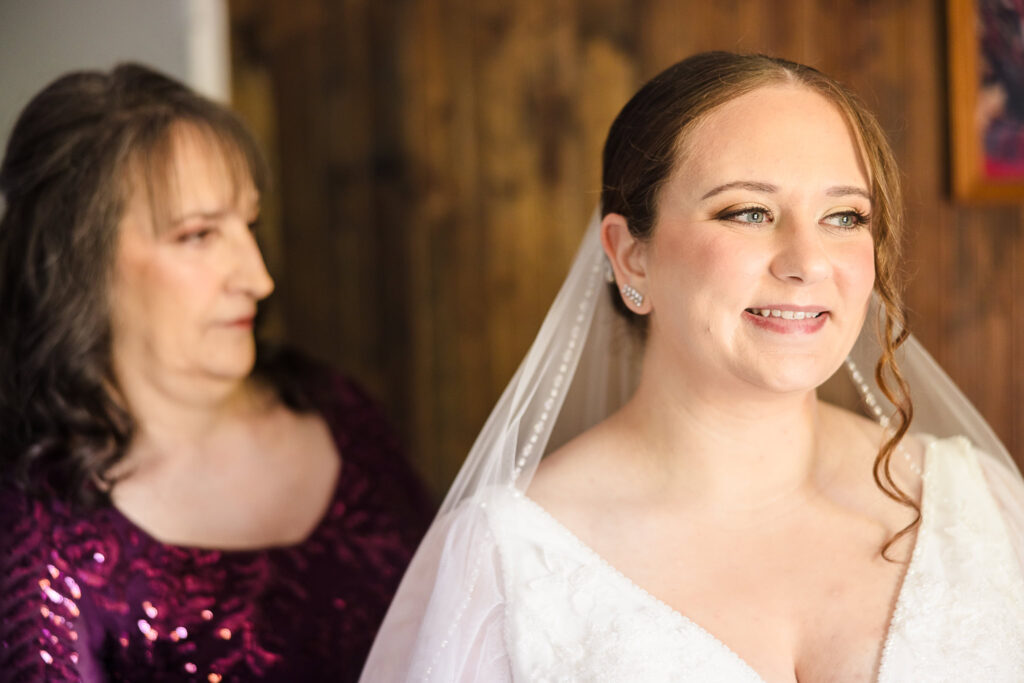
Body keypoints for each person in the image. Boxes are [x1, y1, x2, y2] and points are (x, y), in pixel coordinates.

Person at [361, 51, 1024, 682]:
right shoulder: (506, 561)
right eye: (749, 211)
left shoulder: (980, 503)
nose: (808, 261)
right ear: (631, 256)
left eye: (844, 216)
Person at [0, 63, 430, 682]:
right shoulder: (41, 538)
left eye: (248, 226)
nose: (258, 279)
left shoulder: (339, 413)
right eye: (198, 235)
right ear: (77, 264)